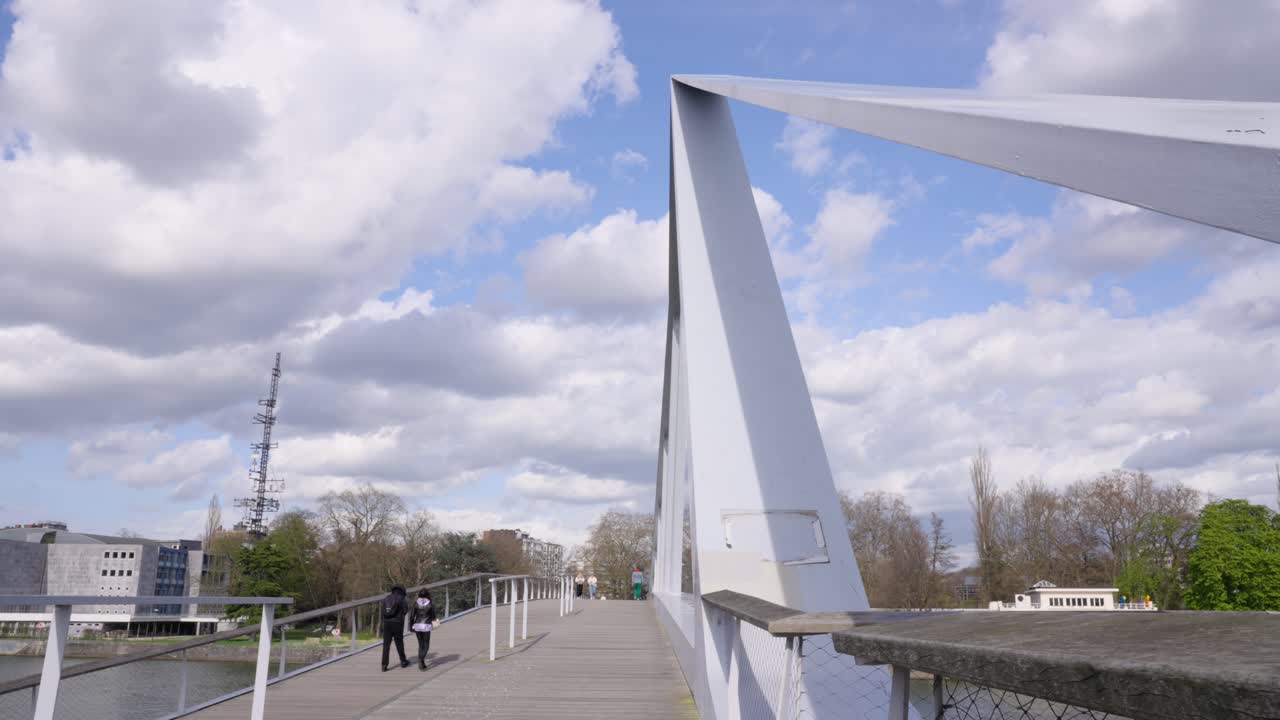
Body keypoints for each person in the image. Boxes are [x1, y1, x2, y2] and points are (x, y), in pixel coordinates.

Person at [379, 585, 411, 671]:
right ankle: (403, 661)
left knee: (386, 644)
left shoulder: (386, 598)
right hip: (397, 623)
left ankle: (384, 665)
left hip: (387, 624)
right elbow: (405, 611)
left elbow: (383, 611)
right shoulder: (401, 599)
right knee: (399, 643)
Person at [409, 588, 439, 670]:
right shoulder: (430, 603)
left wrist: (411, 626)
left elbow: (412, 616)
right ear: (427, 594)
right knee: (426, 645)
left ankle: (422, 664)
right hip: (426, 625)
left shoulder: (416, 603)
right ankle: (421, 659)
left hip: (417, 625)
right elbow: (433, 616)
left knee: (420, 644)